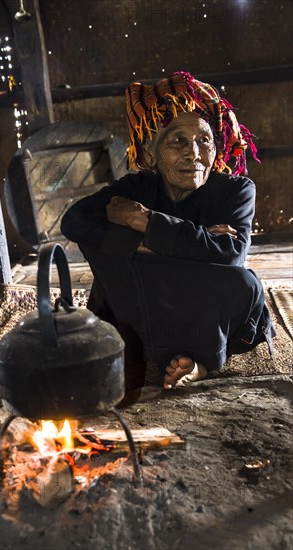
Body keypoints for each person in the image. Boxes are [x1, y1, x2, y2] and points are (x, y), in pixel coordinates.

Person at [61, 71, 275, 393]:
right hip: (149, 305)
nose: (193, 153)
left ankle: (199, 360)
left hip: (195, 308)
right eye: (177, 141)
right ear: (150, 154)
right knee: (107, 257)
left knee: (243, 284)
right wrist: (193, 247)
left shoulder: (236, 190)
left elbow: (232, 255)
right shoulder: (136, 186)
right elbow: (74, 220)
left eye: (204, 141)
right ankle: (170, 355)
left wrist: (146, 223)